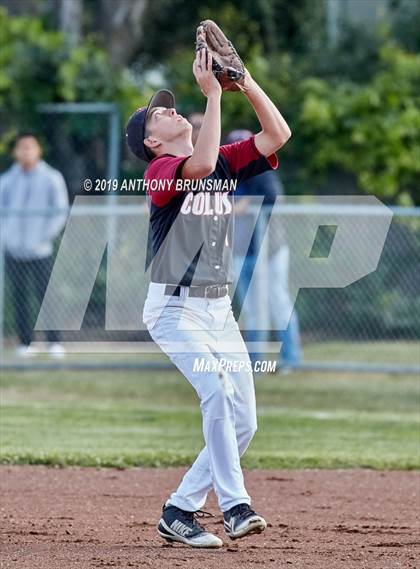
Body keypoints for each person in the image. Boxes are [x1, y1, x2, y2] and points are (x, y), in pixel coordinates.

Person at [126, 48, 291, 548]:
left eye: (172, 105)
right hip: (174, 310)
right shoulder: (162, 172)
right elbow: (198, 166)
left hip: (218, 312)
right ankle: (237, 507)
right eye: (161, 113)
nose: (172, 109)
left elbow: (278, 135)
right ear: (153, 141)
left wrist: (245, 83)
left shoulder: (222, 161)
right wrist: (215, 94)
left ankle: (179, 510)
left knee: (245, 420)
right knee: (217, 391)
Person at [228, 129, 302, 371]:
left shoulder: (262, 169)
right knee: (251, 309)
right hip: (242, 250)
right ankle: (255, 361)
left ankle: (290, 359)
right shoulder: (226, 172)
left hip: (270, 251)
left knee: (278, 303)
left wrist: (246, 203)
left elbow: (273, 196)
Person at [0, 132, 69, 357]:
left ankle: (54, 343)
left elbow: (60, 212)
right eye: (21, 147)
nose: (25, 152)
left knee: (46, 296)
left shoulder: (52, 177)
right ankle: (24, 343)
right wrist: (7, 238)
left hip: (41, 250)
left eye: (30, 147)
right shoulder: (8, 180)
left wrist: (43, 237)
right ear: (15, 152)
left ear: (38, 150)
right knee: (19, 296)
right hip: (14, 249)